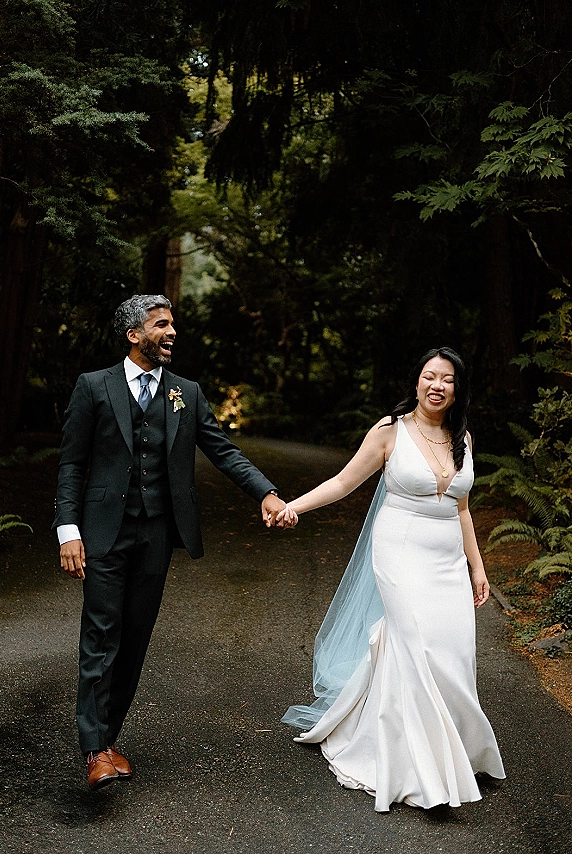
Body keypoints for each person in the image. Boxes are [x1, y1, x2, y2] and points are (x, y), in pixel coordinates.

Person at [53, 294, 288, 790]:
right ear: (134, 334)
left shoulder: (187, 392)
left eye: (173, 324)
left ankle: (109, 738)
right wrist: (68, 530)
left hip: (157, 534)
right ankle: (95, 750)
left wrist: (264, 492)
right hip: (103, 532)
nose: (172, 331)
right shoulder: (94, 387)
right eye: (162, 324)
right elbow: (72, 464)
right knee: (101, 636)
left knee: (134, 637)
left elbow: (223, 452)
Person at [276, 347, 505, 812]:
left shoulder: (462, 438)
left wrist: (477, 567)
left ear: (457, 389)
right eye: (429, 376)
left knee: (452, 651)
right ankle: (413, 766)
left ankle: (451, 751)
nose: (436, 386)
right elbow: (343, 483)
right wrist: (292, 506)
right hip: (399, 549)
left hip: (446, 560)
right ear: (416, 382)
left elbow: (462, 509)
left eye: (447, 379)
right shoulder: (389, 431)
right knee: (414, 644)